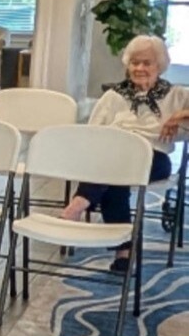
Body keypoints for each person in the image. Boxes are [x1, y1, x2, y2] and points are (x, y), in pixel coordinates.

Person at [63, 35, 187, 272]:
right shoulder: (114, 96)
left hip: (154, 158)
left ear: (159, 65)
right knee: (116, 178)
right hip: (114, 156)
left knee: (115, 169)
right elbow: (94, 134)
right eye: (135, 62)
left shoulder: (176, 95)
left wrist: (179, 116)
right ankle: (124, 252)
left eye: (147, 63)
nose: (139, 68)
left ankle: (78, 204)